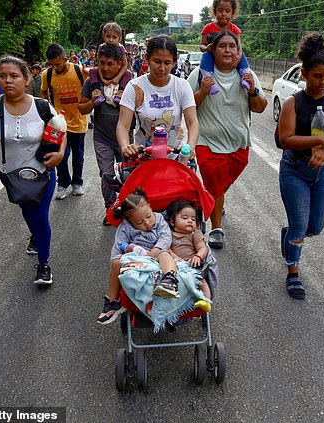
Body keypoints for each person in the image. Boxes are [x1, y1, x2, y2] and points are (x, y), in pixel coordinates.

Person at [0, 56, 64, 285]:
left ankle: (44, 264)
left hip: (41, 173)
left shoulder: (42, 107)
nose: (8, 81)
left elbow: (60, 131)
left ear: (27, 79)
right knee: (27, 209)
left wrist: (60, 154)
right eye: (2, 76)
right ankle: (35, 234)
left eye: (14, 76)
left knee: (40, 216)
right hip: (9, 173)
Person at [277, 32, 324, 300]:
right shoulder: (292, 103)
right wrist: (320, 143)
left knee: (315, 227)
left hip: (323, 173)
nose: (323, 82)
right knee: (299, 226)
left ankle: (290, 236)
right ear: (305, 74)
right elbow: (284, 139)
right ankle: (293, 273)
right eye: (318, 76)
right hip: (295, 170)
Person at [187, 30, 267, 249]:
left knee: (219, 187)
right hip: (207, 142)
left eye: (233, 46)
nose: (228, 50)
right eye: (223, 46)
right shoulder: (200, 74)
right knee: (215, 183)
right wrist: (203, 92)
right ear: (213, 49)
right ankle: (216, 229)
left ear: (239, 51)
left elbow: (260, 107)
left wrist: (252, 91)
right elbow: (187, 105)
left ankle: (207, 202)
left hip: (239, 143)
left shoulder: (247, 74)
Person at [97, 187, 180, 324]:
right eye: (139, 223)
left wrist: (156, 249)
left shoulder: (158, 219)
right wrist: (119, 260)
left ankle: (169, 280)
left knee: (165, 253)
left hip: (157, 252)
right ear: (130, 221)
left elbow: (166, 236)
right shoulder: (125, 227)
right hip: (136, 258)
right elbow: (118, 246)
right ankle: (113, 300)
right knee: (115, 263)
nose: (147, 223)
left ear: (150, 207)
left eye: (148, 216)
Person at [117, 35, 198, 160]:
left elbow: (192, 122)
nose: (162, 68)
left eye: (167, 63)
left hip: (175, 158)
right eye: (157, 61)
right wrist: (125, 146)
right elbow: (123, 124)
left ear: (174, 63)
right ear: (147, 59)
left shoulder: (182, 86)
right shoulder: (134, 87)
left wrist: (190, 146)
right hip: (143, 158)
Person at [78, 44, 132, 226]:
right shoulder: (91, 83)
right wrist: (93, 100)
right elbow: (81, 109)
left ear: (119, 65)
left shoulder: (129, 84)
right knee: (107, 174)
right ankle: (111, 209)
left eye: (110, 64)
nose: (105, 68)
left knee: (128, 175)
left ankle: (129, 208)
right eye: (101, 63)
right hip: (102, 139)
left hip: (125, 140)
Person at [41, 43, 89, 199]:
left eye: (58, 64)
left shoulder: (79, 71)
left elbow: (92, 83)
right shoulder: (47, 74)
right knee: (60, 154)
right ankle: (62, 183)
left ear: (65, 59)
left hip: (78, 120)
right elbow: (44, 93)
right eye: (52, 64)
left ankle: (77, 183)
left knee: (78, 155)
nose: (55, 67)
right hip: (58, 123)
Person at [165, 200, 212, 312]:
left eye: (193, 219)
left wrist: (198, 256)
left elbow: (202, 247)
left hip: (192, 263)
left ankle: (206, 301)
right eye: (185, 218)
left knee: (201, 280)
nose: (190, 221)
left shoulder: (194, 233)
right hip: (174, 264)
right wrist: (175, 257)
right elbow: (166, 248)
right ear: (172, 222)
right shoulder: (168, 234)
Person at [199, 0, 251, 95]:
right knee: (206, 55)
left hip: (230, 59)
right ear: (214, 12)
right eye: (220, 10)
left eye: (227, 11)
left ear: (232, 13)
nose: (223, 14)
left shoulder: (235, 30)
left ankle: (245, 77)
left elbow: (239, 47)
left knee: (242, 54)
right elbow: (202, 45)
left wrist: (238, 58)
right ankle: (209, 80)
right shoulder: (208, 28)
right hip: (212, 57)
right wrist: (207, 48)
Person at [96, 22, 131, 105]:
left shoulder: (121, 48)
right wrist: (102, 78)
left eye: (114, 37)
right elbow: (99, 64)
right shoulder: (101, 47)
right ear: (103, 36)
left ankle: (119, 94)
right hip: (103, 74)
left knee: (128, 73)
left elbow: (125, 65)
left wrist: (118, 78)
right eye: (108, 36)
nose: (110, 40)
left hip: (118, 73)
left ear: (119, 38)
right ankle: (98, 94)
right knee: (92, 71)